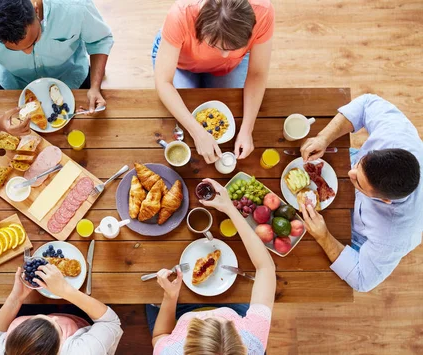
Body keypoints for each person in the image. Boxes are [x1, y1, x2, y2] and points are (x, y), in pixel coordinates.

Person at [299, 94, 423, 292]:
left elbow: (363, 280)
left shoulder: (394, 236)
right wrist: (323, 137)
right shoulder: (397, 135)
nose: (350, 173)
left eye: (358, 181)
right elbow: (366, 104)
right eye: (360, 164)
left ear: (383, 200)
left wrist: (324, 237)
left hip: (359, 231)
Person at [148, 178, 276, 354]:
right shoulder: (253, 340)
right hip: (234, 305)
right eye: (224, 321)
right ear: (240, 341)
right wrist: (230, 208)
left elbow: (160, 335)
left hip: (178, 309)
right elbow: (266, 268)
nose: (210, 313)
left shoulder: (168, 351)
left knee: (150, 299)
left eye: (201, 321)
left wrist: (170, 296)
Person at [0, 0, 114, 136]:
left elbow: (100, 40)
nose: (28, 51)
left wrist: (95, 87)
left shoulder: (74, 5)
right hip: (11, 86)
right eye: (14, 49)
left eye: (34, 40)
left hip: (73, 78)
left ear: (36, 10)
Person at [153, 0, 274, 164]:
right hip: (181, 64)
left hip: (231, 67)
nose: (224, 56)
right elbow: (163, 82)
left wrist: (247, 129)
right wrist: (197, 132)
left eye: (232, 48)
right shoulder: (180, 14)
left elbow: (258, 73)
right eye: (215, 46)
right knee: (183, 110)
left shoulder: (264, 11)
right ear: (200, 25)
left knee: (230, 107)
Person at [0, 264, 123, 354]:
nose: (53, 317)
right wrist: (66, 291)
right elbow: (110, 322)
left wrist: (16, 298)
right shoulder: (83, 351)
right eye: (57, 326)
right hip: (83, 322)